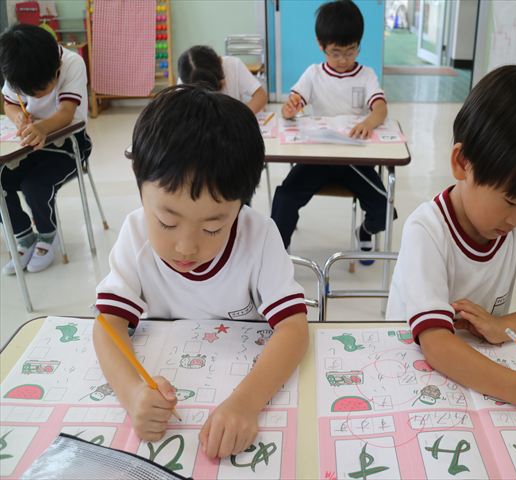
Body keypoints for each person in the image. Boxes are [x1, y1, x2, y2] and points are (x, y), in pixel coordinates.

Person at [93, 85, 308, 459]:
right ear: (138, 182)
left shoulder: (258, 236)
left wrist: (246, 403)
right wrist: (132, 393)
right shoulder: (135, 234)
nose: (186, 247)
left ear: (241, 203)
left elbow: (293, 327)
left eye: (212, 227)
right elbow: (108, 323)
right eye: (167, 222)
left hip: (240, 382)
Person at [387, 65, 516, 426]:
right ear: (462, 163)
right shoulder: (427, 230)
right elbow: (436, 343)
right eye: (511, 200)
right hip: (411, 374)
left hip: (481, 377)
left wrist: (503, 325)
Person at [270, 0, 391, 263]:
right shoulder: (313, 74)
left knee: (384, 206)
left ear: (359, 44)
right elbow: (291, 106)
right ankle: (279, 250)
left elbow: (380, 109)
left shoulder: (366, 75)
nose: (344, 60)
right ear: (320, 45)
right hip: (318, 157)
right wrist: (289, 109)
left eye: (351, 51)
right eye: (336, 53)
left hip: (354, 160)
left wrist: (368, 122)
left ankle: (364, 232)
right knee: (285, 197)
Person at [0, 24, 91, 274]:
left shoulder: (72, 63)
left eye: (40, 90)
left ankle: (48, 235)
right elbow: (9, 104)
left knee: (34, 186)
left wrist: (42, 128)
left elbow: (66, 113)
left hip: (70, 144)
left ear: (56, 67)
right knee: (1, 182)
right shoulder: (16, 67)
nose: (36, 96)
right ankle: (24, 237)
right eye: (29, 92)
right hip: (30, 145)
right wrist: (19, 117)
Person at [177, 44, 267, 113]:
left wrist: (241, 117)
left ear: (220, 61)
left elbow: (261, 96)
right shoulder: (184, 84)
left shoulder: (233, 65)